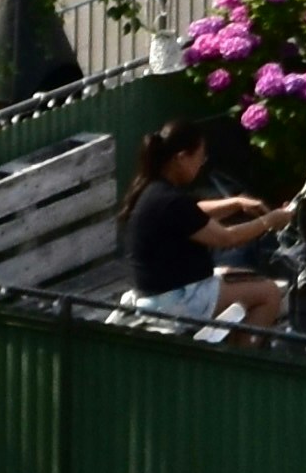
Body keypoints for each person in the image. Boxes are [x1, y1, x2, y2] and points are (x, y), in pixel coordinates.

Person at [118, 121, 287, 327]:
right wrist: (269, 221)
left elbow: (194, 211)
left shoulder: (152, 189)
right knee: (269, 293)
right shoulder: (171, 200)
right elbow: (227, 238)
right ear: (181, 158)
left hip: (157, 293)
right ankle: (239, 354)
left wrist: (236, 203)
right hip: (174, 301)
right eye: (200, 157)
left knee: (234, 273)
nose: (201, 163)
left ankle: (228, 341)